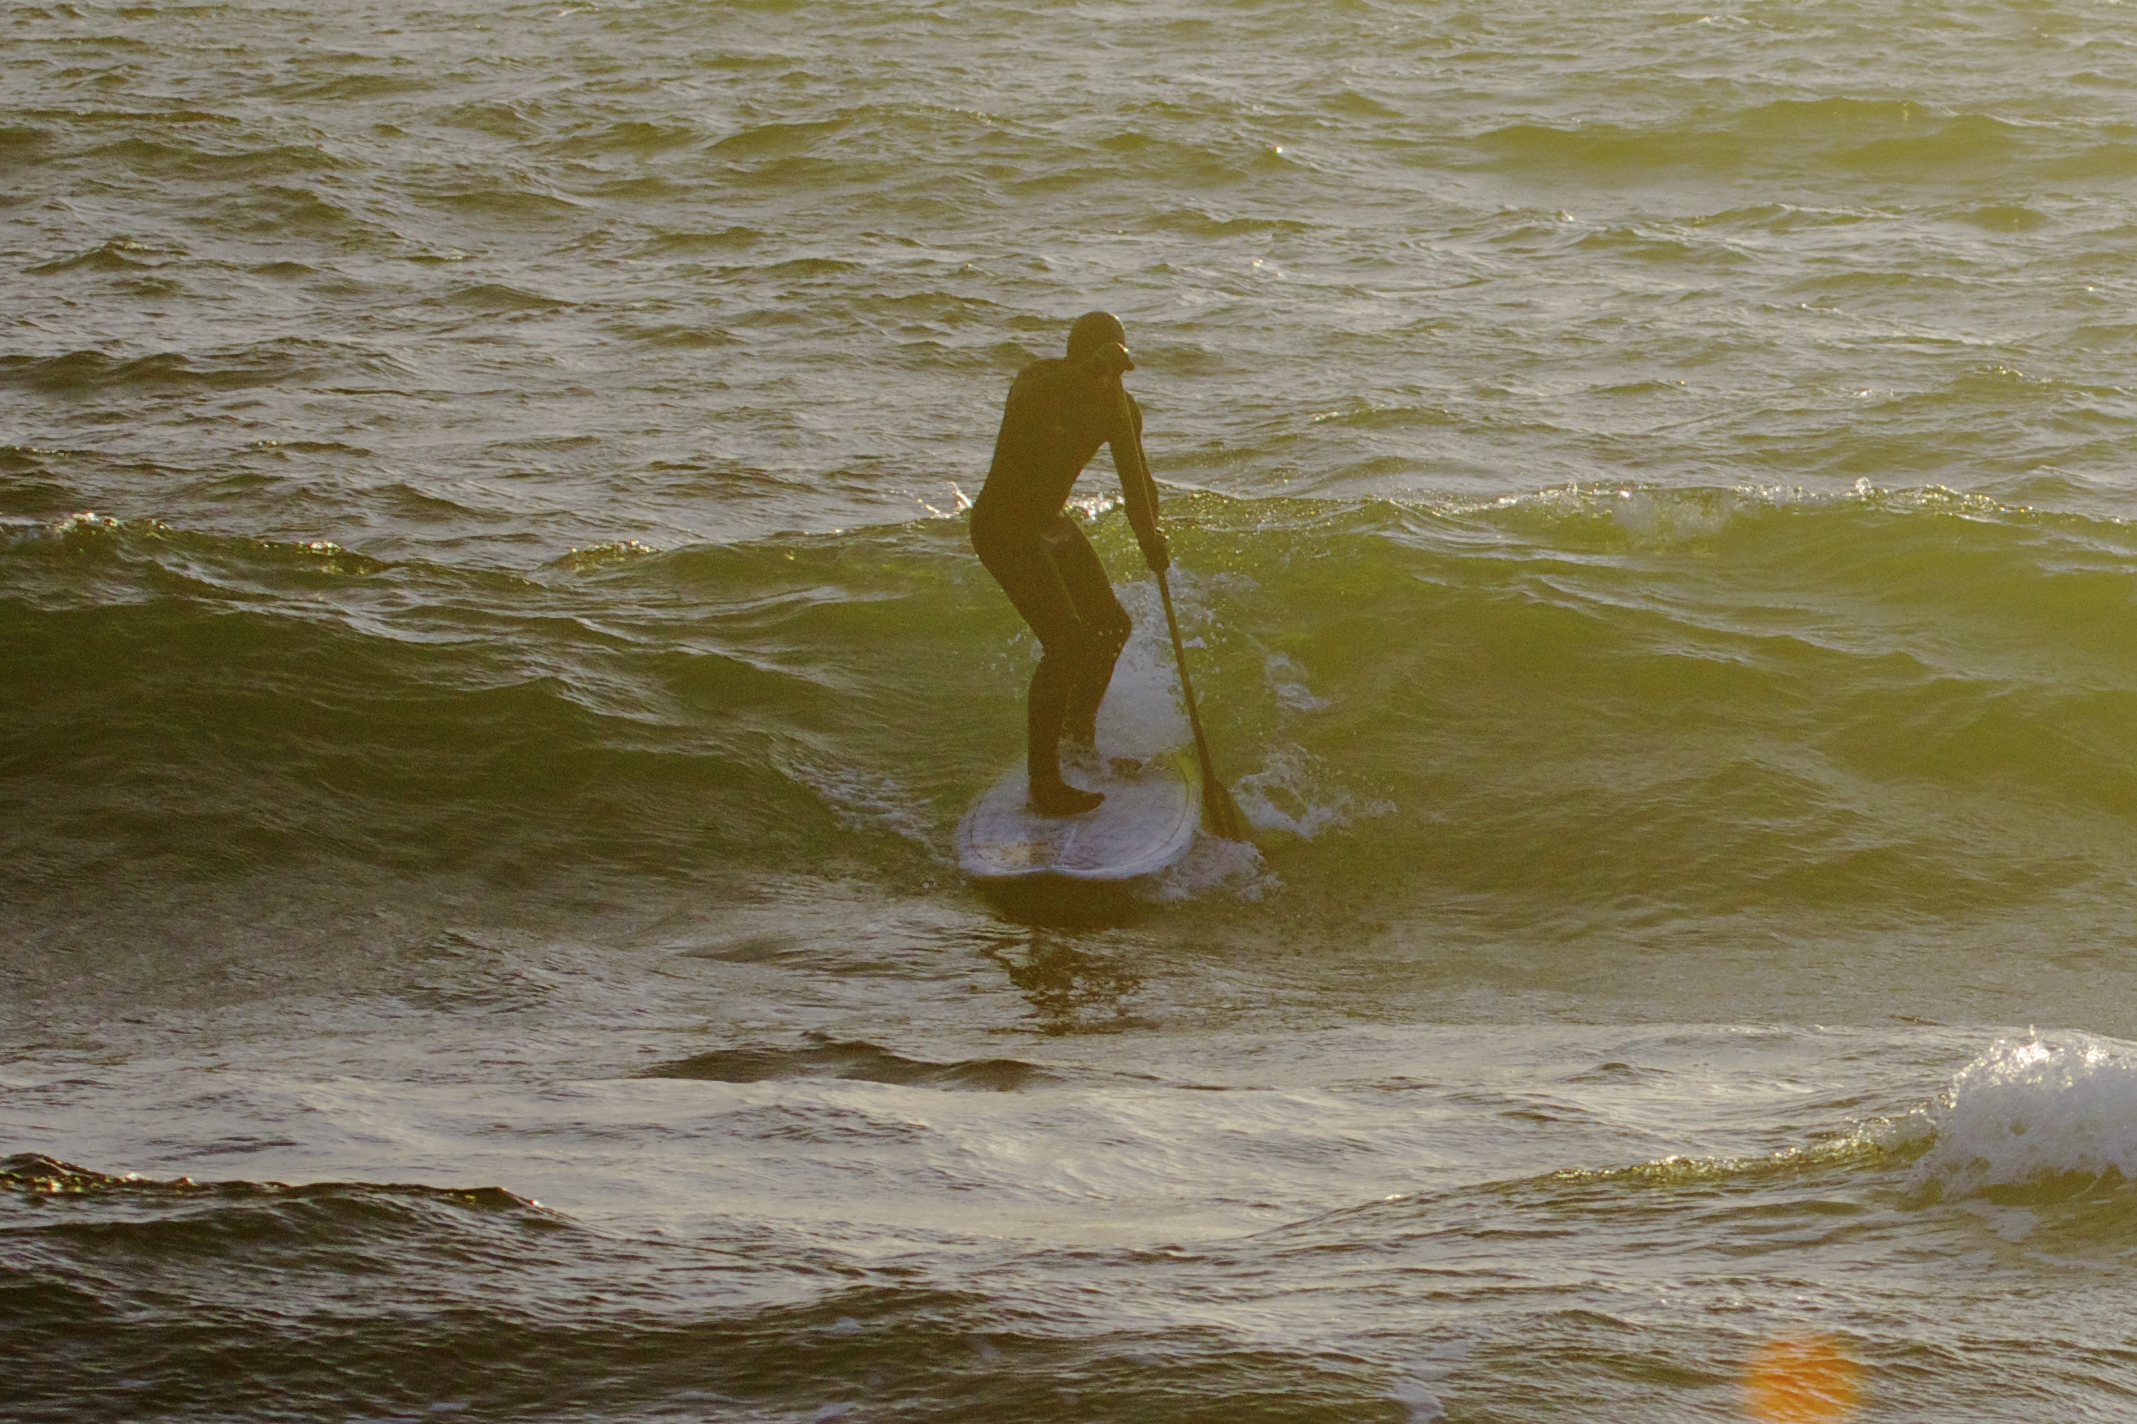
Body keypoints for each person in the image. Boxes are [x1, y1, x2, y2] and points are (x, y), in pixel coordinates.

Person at [972, 311, 1170, 816]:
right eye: (1098, 368)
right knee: (1065, 643)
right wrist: (1086, 372)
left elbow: (1137, 483)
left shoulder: (1119, 409)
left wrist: (1150, 535)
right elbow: (1029, 400)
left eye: (1115, 371)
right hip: (1002, 523)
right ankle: (1044, 784)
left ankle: (1077, 741)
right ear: (1076, 359)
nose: (1106, 381)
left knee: (1112, 626)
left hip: (1047, 523)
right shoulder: (1038, 382)